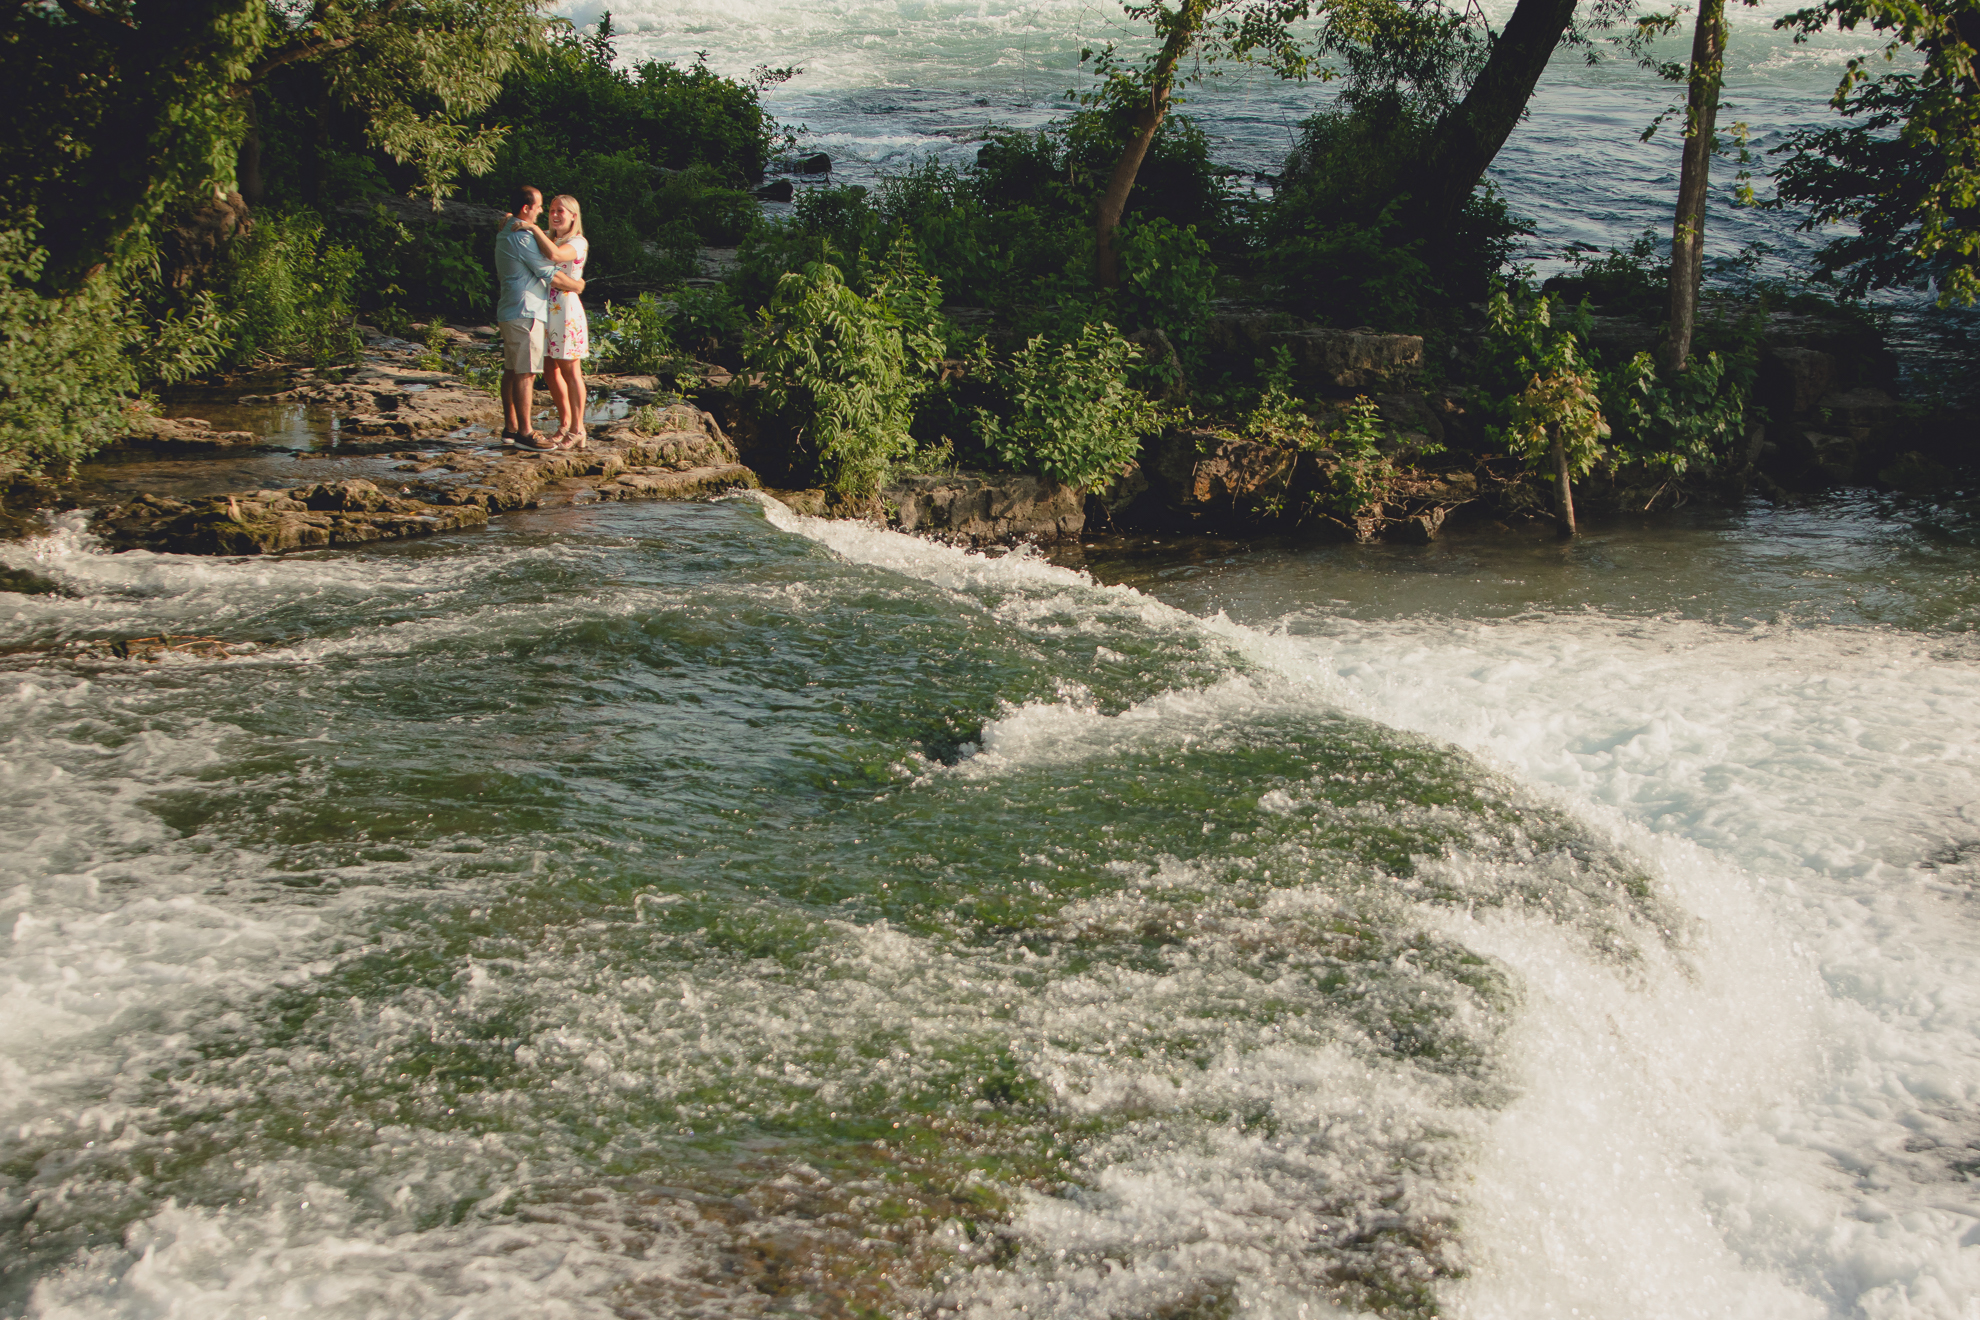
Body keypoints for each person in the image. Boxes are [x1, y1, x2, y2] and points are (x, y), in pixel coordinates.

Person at [491, 186, 586, 451]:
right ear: (526, 209)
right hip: (526, 311)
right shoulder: (522, 235)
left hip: (519, 310)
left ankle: (512, 428)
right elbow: (549, 271)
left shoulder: (513, 229)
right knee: (526, 373)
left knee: (513, 369)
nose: (545, 212)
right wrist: (578, 286)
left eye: (558, 210)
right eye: (543, 206)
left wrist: (516, 220)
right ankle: (525, 433)